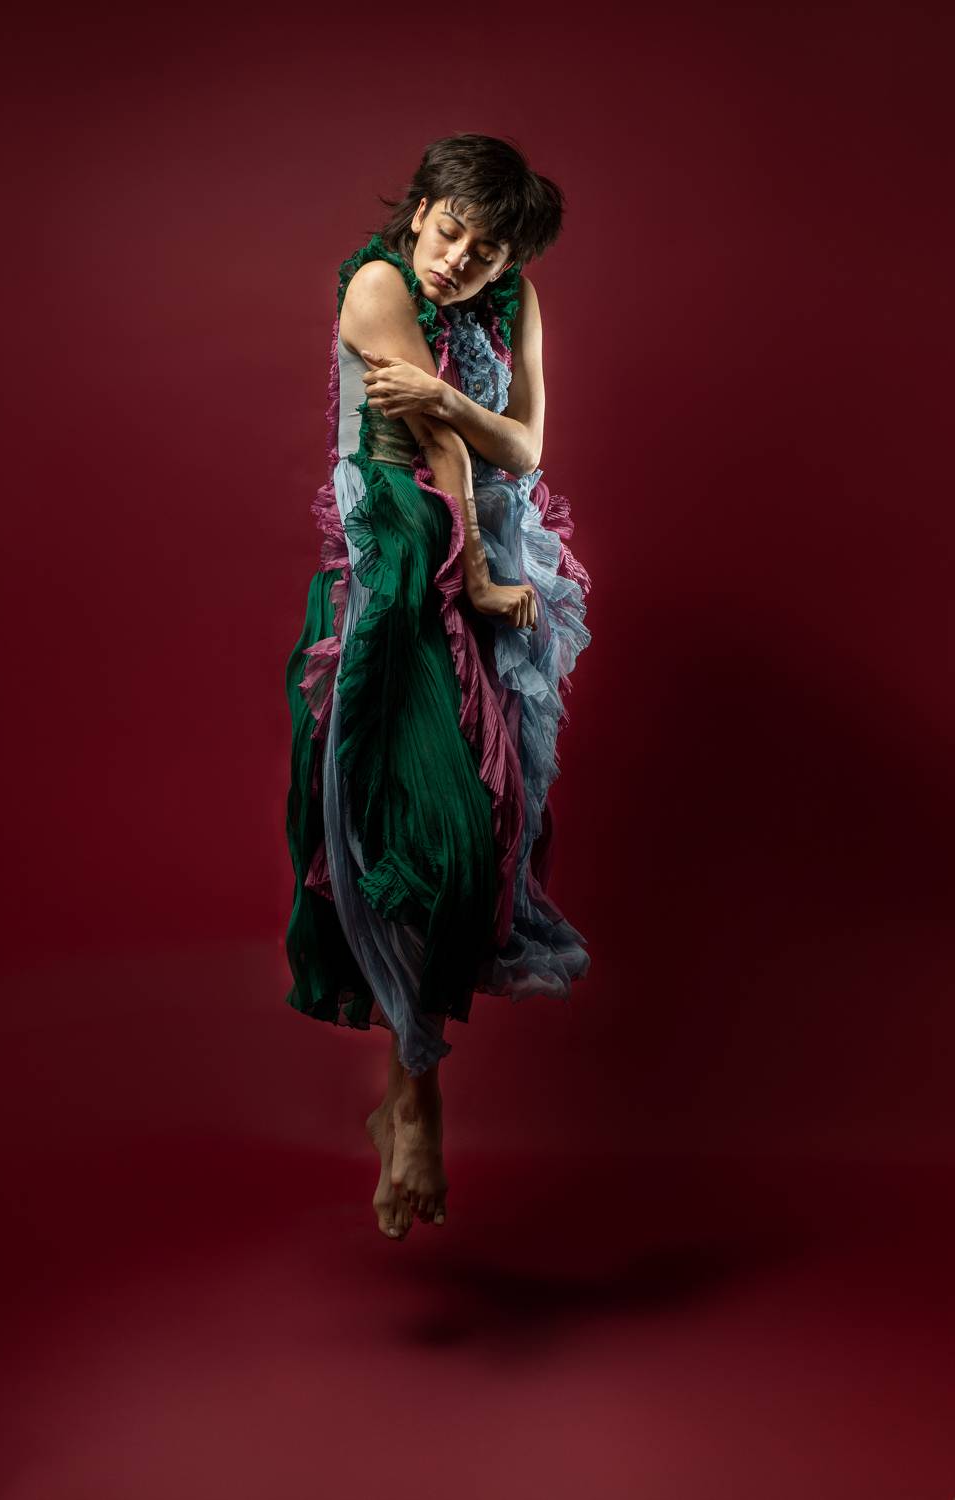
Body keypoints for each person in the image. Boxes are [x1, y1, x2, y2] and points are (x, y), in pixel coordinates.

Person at [284, 133, 592, 1241]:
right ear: (419, 210)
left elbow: (525, 446)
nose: (460, 260)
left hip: (481, 557)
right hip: (400, 564)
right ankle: (413, 1100)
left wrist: (454, 407)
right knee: (409, 831)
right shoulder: (377, 285)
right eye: (450, 230)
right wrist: (475, 569)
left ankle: (408, 1088)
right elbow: (452, 454)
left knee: (488, 837)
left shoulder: (514, 301)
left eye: (487, 250)